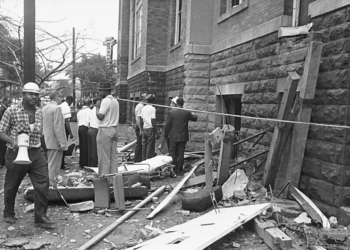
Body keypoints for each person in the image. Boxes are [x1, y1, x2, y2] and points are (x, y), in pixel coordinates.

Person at [0, 82, 55, 228]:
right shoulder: (12, 111)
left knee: (43, 183)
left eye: (36, 94)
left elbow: (40, 134)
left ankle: (40, 216)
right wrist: (13, 142)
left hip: (36, 152)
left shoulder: (39, 112)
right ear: (23, 95)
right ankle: (9, 213)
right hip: (16, 152)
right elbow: (1, 131)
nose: (34, 97)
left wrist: (44, 151)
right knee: (12, 185)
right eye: (31, 94)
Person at [164, 97, 197, 176]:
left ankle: (174, 169)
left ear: (176, 103)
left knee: (173, 153)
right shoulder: (186, 113)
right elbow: (195, 118)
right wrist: (193, 113)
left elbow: (167, 125)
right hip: (183, 136)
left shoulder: (171, 112)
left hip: (173, 136)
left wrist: (165, 135)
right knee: (181, 153)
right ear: (183, 104)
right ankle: (180, 169)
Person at [42, 91, 67, 185]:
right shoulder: (57, 108)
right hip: (54, 141)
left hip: (45, 140)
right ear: (57, 97)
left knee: (47, 164)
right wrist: (62, 142)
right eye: (61, 97)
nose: (62, 99)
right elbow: (58, 127)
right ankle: (52, 185)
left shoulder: (44, 108)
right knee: (54, 166)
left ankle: (48, 183)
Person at [96, 82, 119, 178]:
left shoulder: (105, 101)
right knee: (113, 157)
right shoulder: (115, 101)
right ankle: (114, 180)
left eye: (100, 91)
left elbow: (100, 116)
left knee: (104, 158)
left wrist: (97, 107)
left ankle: (103, 180)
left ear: (105, 91)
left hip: (105, 130)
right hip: (114, 129)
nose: (99, 93)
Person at [140, 94, 159, 161]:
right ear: (152, 100)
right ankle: (147, 161)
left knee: (144, 146)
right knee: (150, 147)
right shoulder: (152, 108)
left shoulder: (143, 108)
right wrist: (156, 132)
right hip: (150, 129)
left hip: (145, 128)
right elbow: (152, 120)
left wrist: (142, 129)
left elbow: (141, 119)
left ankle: (143, 160)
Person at [59, 96, 74, 170]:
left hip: (58, 127)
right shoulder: (66, 107)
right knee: (64, 146)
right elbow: (66, 121)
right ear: (70, 101)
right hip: (64, 128)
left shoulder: (60, 106)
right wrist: (70, 132)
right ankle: (62, 165)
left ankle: (60, 163)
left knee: (60, 146)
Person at [77, 100, 91, 168]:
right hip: (86, 128)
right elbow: (89, 122)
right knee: (86, 146)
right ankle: (85, 162)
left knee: (81, 145)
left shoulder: (80, 111)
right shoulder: (89, 111)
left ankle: (81, 162)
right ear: (89, 104)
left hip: (80, 128)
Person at [87, 97, 101, 167]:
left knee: (90, 148)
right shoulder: (98, 111)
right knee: (95, 147)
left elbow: (88, 122)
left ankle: (90, 162)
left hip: (90, 129)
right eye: (99, 102)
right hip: (95, 129)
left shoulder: (91, 111)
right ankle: (94, 163)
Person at [134, 93, 147, 163]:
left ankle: (139, 159)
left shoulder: (140, 105)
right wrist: (141, 129)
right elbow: (138, 118)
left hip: (139, 126)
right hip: (139, 126)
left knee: (140, 143)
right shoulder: (141, 106)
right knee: (139, 143)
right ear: (143, 99)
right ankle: (137, 160)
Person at [0, 97, 12, 168]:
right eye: (8, 101)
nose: (9, 103)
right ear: (4, 101)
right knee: (2, 147)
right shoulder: (3, 110)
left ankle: (2, 162)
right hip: (3, 131)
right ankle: (2, 162)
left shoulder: (3, 109)